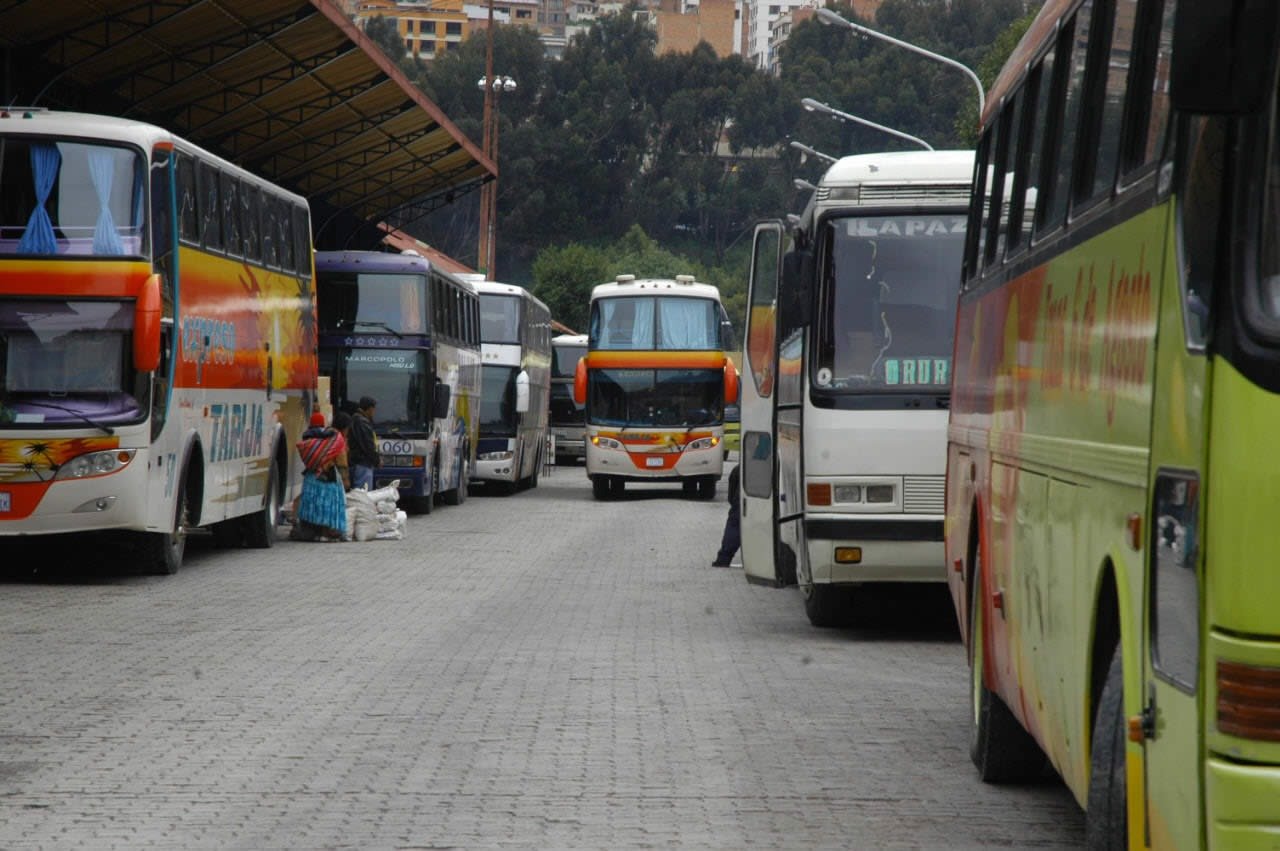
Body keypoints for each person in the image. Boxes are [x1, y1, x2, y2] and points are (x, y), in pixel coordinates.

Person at [291, 412, 348, 542]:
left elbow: (309, 458)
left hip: (311, 478)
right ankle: (327, 532)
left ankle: (313, 532)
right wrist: (345, 478)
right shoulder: (334, 439)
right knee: (327, 507)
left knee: (312, 507)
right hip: (329, 479)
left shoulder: (307, 440)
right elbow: (341, 461)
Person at [348, 395, 380, 491]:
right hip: (363, 464)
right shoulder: (362, 423)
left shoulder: (355, 419)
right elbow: (368, 445)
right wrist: (376, 460)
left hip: (357, 462)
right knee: (363, 496)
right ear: (370, 409)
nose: (374, 412)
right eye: (374, 409)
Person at [712, 464, 740, 568]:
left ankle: (723, 559)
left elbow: (731, 496)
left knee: (734, 527)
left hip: (741, 504)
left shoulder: (739, 469)